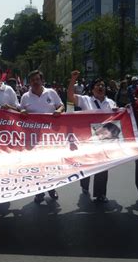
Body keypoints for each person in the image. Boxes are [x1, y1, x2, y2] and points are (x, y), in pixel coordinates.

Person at [67, 70, 117, 203]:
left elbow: (117, 119)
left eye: (103, 85)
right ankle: (84, 183)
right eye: (98, 85)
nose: (101, 87)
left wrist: (121, 111)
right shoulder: (86, 100)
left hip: (104, 140)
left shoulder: (111, 103)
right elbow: (71, 97)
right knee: (88, 164)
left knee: (103, 167)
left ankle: (100, 194)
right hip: (87, 140)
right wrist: (73, 79)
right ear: (92, 88)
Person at [20, 70, 64, 204]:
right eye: (32, 80)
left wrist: (59, 110)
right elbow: (20, 113)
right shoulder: (25, 97)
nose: (35, 82)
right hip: (33, 137)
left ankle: (52, 188)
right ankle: (39, 191)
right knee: (37, 165)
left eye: (37, 79)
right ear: (30, 82)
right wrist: (21, 111)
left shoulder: (51, 93)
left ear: (42, 80)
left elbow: (61, 105)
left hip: (50, 137)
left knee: (50, 164)